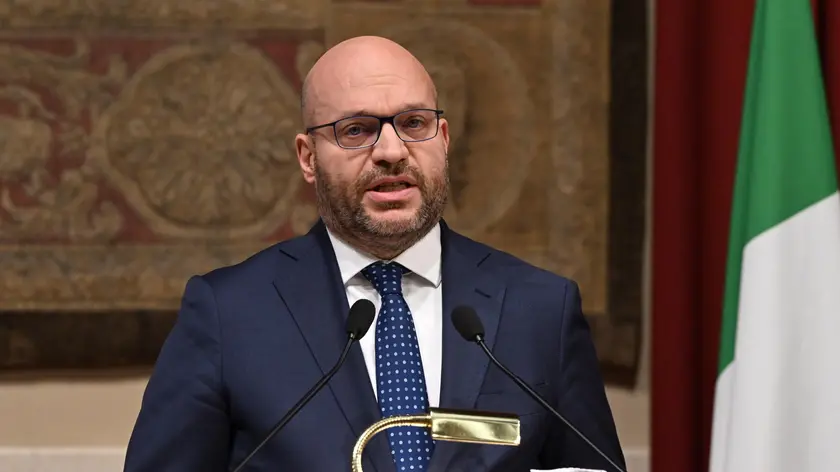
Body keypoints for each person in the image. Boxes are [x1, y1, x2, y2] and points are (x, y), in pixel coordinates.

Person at [123, 35, 625, 472]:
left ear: (443, 140)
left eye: (414, 122)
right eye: (357, 130)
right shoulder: (227, 314)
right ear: (308, 158)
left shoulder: (541, 310)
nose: (391, 151)